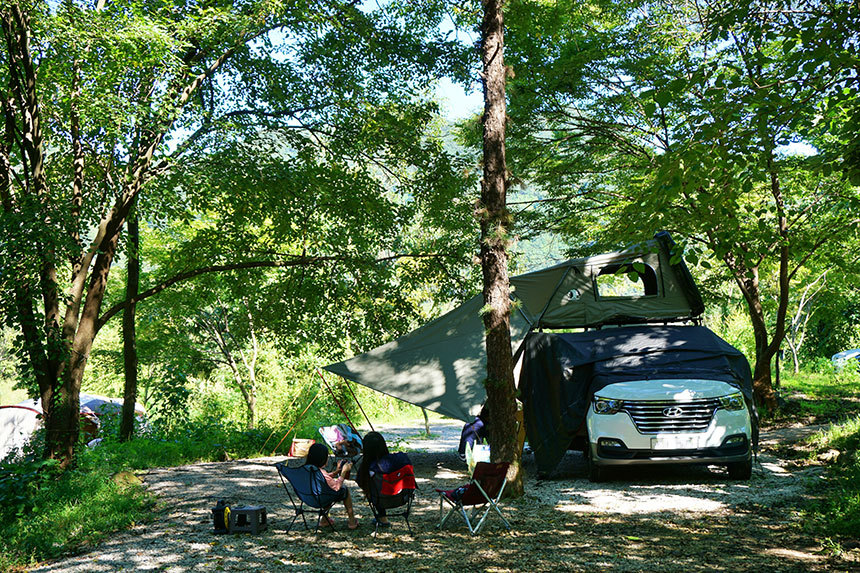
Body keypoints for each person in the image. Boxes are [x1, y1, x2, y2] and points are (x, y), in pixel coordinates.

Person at [357, 431, 412, 528]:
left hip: (380, 500)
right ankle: (383, 518)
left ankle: (383, 518)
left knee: (371, 486)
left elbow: (360, 482)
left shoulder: (368, 467)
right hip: (403, 497)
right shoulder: (401, 458)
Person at [304, 442, 359, 529]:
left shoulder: (307, 470)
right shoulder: (321, 473)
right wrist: (343, 473)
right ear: (322, 459)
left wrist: (336, 472)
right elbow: (336, 487)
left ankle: (324, 520)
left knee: (324, 489)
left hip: (308, 498)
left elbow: (323, 478)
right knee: (344, 489)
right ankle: (352, 520)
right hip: (322, 498)